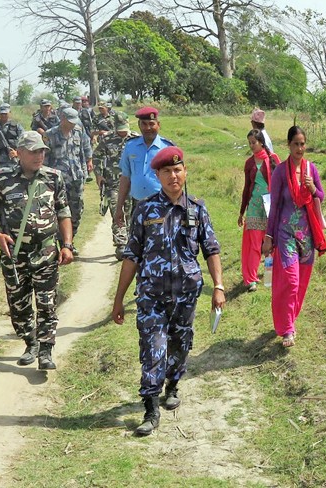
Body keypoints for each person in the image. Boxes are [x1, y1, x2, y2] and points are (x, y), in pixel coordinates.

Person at [112, 146, 225, 437]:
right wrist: (119, 299)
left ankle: (173, 384)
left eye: (177, 170)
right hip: (151, 294)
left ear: (184, 172)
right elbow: (132, 255)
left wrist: (219, 287)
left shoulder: (197, 209)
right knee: (153, 348)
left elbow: (211, 250)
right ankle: (150, 407)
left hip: (187, 293)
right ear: (158, 175)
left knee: (180, 343)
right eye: (166, 172)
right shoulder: (145, 209)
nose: (173, 176)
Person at [0, 131, 75, 370]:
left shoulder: (54, 177)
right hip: (15, 254)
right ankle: (30, 341)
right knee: (18, 304)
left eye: (42, 151)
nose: (39, 155)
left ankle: (45, 350)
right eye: (33, 151)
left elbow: (63, 212)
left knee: (46, 302)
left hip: (46, 252)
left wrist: (67, 245)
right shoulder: (1, 179)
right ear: (19, 153)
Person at [262, 126, 326, 348]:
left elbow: (321, 195)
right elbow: (275, 205)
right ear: (288, 145)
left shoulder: (312, 169)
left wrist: (312, 189)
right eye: (295, 144)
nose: (300, 148)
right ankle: (287, 329)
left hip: (306, 235)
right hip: (285, 233)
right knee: (290, 281)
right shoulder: (280, 172)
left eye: (302, 144)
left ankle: (289, 320)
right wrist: (269, 235)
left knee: (301, 284)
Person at [114, 106, 175, 228]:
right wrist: (119, 207)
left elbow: (176, 179)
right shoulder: (130, 146)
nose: (148, 128)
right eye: (144, 124)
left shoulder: (168, 148)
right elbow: (125, 177)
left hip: (162, 204)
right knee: (136, 243)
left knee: (161, 244)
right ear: (139, 125)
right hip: (138, 204)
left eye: (151, 124)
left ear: (158, 124)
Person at [43, 107, 92, 249]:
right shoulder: (50, 135)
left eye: (74, 122)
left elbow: (86, 148)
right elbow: (44, 159)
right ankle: (62, 243)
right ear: (62, 118)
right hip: (57, 181)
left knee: (77, 211)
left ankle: (70, 240)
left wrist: (88, 162)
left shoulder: (78, 131)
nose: (72, 124)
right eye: (69, 121)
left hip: (76, 178)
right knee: (58, 212)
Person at [238, 129, 281, 292]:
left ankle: (270, 276)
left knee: (270, 244)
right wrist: (242, 212)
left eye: (253, 142)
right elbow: (246, 187)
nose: (251, 146)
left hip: (270, 207)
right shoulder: (249, 163)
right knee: (254, 244)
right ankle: (251, 279)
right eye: (249, 143)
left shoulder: (273, 159)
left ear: (261, 142)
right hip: (255, 207)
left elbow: (281, 182)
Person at [93, 111, 139, 260]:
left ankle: (134, 242)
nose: (122, 132)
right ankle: (120, 244)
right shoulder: (107, 140)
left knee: (133, 213)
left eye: (124, 129)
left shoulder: (137, 139)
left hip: (135, 183)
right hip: (113, 183)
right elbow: (97, 156)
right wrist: (98, 175)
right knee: (117, 210)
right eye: (119, 129)